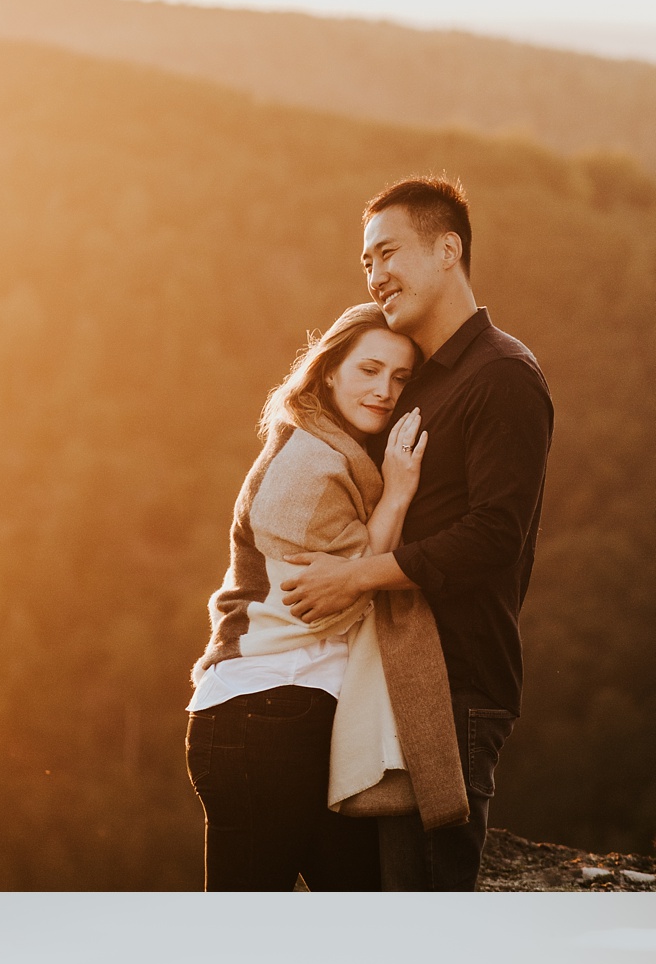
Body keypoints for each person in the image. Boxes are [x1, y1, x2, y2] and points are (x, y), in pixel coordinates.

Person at [281, 175, 553, 891]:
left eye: (388, 253)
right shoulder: (421, 380)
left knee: (425, 918)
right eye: (366, 262)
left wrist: (355, 576)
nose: (375, 275)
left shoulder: (503, 376)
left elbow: (494, 535)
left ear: (447, 249)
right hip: (394, 678)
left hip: (455, 684)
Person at [185, 301, 469, 892]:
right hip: (261, 711)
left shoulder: (334, 451)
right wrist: (396, 497)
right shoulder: (309, 471)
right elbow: (330, 601)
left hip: (294, 715)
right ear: (329, 370)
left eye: (400, 377)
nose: (385, 391)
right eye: (369, 370)